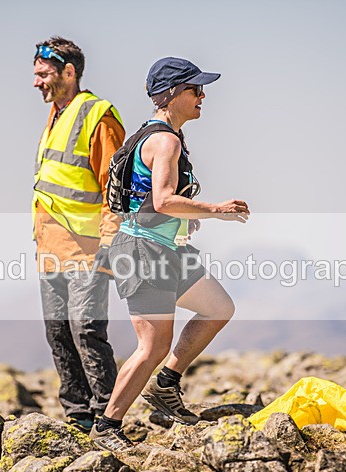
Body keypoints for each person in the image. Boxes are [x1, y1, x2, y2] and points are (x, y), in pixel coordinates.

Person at [90, 57, 250, 451]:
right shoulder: (166, 140)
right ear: (173, 94)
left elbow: (149, 201)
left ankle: (166, 386)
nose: (203, 95)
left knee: (218, 307)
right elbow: (162, 201)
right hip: (144, 251)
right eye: (195, 89)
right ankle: (107, 427)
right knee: (153, 346)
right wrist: (216, 210)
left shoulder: (152, 135)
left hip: (164, 247)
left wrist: (185, 220)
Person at [31, 36, 125, 434]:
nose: (37, 82)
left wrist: (109, 243)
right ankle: (77, 416)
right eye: (35, 75)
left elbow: (116, 189)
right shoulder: (55, 113)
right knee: (59, 333)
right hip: (50, 247)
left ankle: (107, 417)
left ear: (69, 72)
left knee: (87, 331)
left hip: (90, 248)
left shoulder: (97, 115)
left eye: (44, 74)